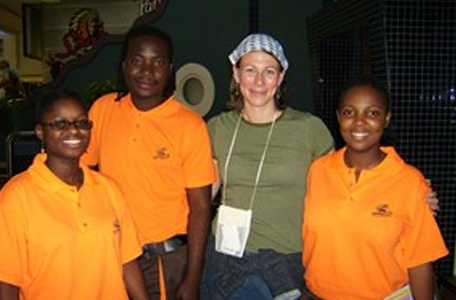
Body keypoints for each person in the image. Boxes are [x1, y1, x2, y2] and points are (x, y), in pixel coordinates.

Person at [0, 90, 149, 300]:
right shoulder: (16, 198)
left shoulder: (109, 189)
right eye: (59, 124)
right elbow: (6, 285)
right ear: (40, 132)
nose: (73, 131)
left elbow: (127, 262)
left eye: (81, 123)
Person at [82, 26, 216, 300]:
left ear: (169, 69)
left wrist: (192, 278)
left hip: (164, 262)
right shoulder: (103, 109)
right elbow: (78, 172)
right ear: (124, 66)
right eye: (137, 61)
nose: (147, 71)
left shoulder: (190, 126)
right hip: (112, 257)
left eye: (158, 62)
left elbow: (200, 208)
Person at [200, 33, 335, 300]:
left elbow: (342, 186)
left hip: (286, 261)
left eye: (269, 71)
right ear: (236, 74)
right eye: (250, 70)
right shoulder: (218, 127)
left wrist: (407, 197)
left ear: (281, 77)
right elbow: (203, 194)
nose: (259, 82)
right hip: (223, 257)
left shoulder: (309, 129)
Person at [302, 76, 448, 300]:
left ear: (386, 119)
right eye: (350, 112)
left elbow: (420, 263)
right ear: (339, 117)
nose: (359, 122)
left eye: (372, 113)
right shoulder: (318, 171)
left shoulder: (409, 182)